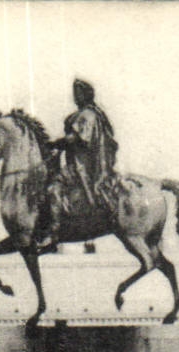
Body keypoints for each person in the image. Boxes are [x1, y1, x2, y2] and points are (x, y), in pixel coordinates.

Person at [36, 78, 119, 250]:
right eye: (74, 93)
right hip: (79, 162)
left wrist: (54, 144)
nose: (75, 96)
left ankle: (54, 233)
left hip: (84, 166)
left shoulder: (88, 115)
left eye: (78, 93)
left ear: (86, 95)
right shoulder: (88, 114)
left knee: (53, 189)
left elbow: (75, 138)